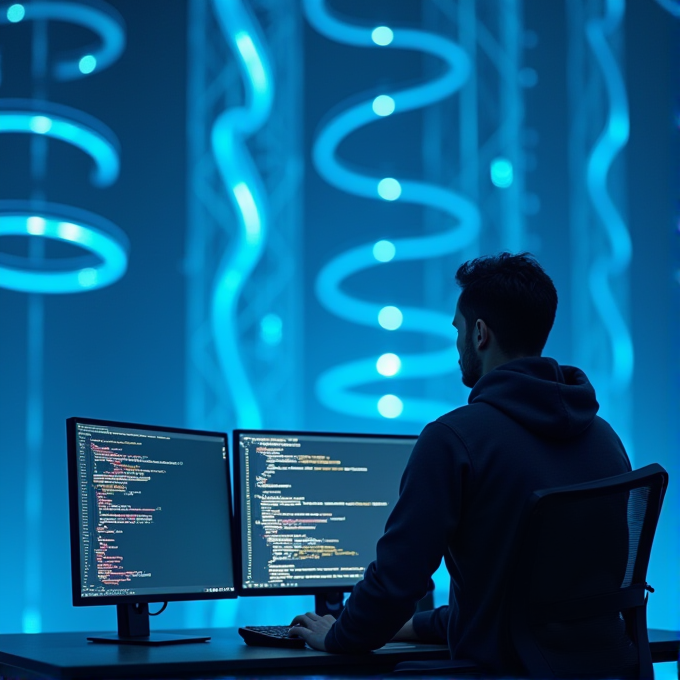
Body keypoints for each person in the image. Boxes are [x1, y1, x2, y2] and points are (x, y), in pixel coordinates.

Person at [288, 252, 632, 673]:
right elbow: (523, 608)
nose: (456, 346)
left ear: (480, 334)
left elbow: (397, 584)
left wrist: (338, 636)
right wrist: (403, 627)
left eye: (458, 329)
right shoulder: (605, 439)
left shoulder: (454, 439)